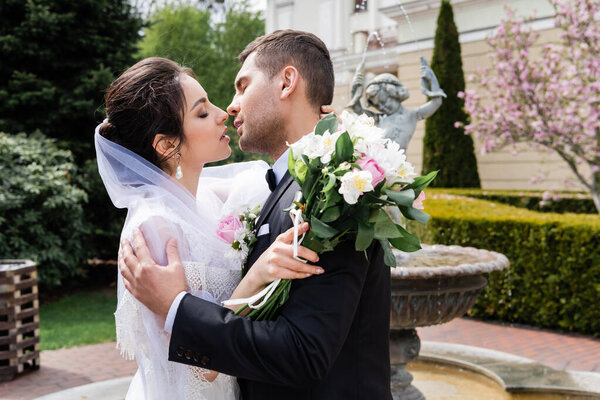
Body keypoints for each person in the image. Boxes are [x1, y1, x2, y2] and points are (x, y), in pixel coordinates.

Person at [120, 30, 393, 399]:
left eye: (242, 86)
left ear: (286, 82)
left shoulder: (337, 191)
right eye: (203, 110)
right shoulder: (271, 187)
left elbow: (304, 352)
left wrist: (178, 307)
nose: (229, 107)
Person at [96, 56, 323, 400]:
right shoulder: (155, 228)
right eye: (202, 113)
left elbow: (271, 180)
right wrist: (257, 276)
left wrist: (323, 132)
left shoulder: (209, 199)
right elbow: (201, 365)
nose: (224, 113)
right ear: (166, 144)